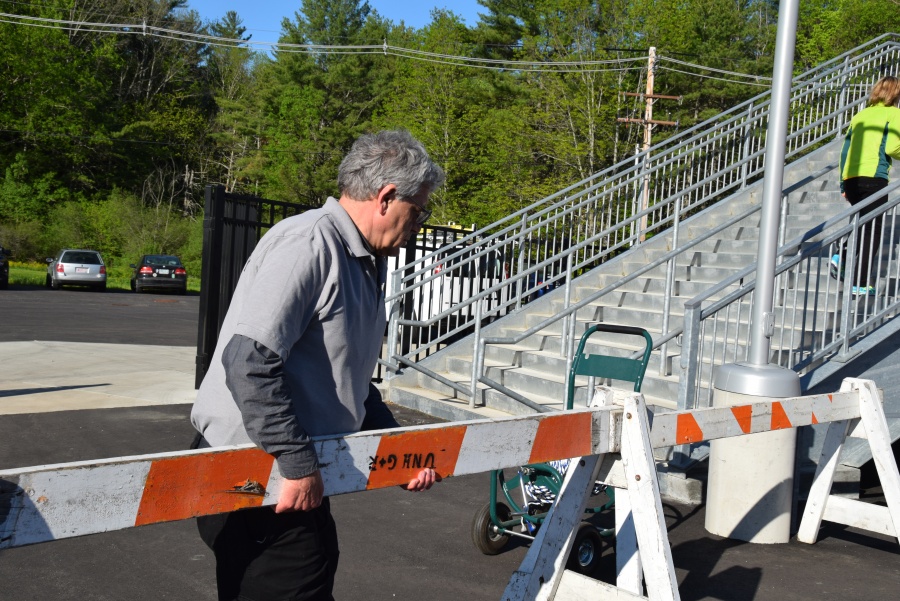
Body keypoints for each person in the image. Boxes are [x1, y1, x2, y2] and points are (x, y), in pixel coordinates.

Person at [190, 129, 446, 601]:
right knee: (298, 580)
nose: (419, 223)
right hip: (250, 467)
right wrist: (296, 459)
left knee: (310, 568)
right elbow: (247, 361)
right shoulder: (309, 243)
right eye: (419, 210)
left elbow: (349, 381)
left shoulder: (362, 259)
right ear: (388, 197)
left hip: (281, 464)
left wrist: (396, 450)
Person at [832, 75, 900, 296]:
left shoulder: (860, 115)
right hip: (874, 178)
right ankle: (860, 282)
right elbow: (892, 147)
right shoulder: (894, 114)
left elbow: (845, 151)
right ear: (895, 94)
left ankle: (841, 256)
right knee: (873, 230)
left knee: (862, 225)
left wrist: (843, 182)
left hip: (852, 179)